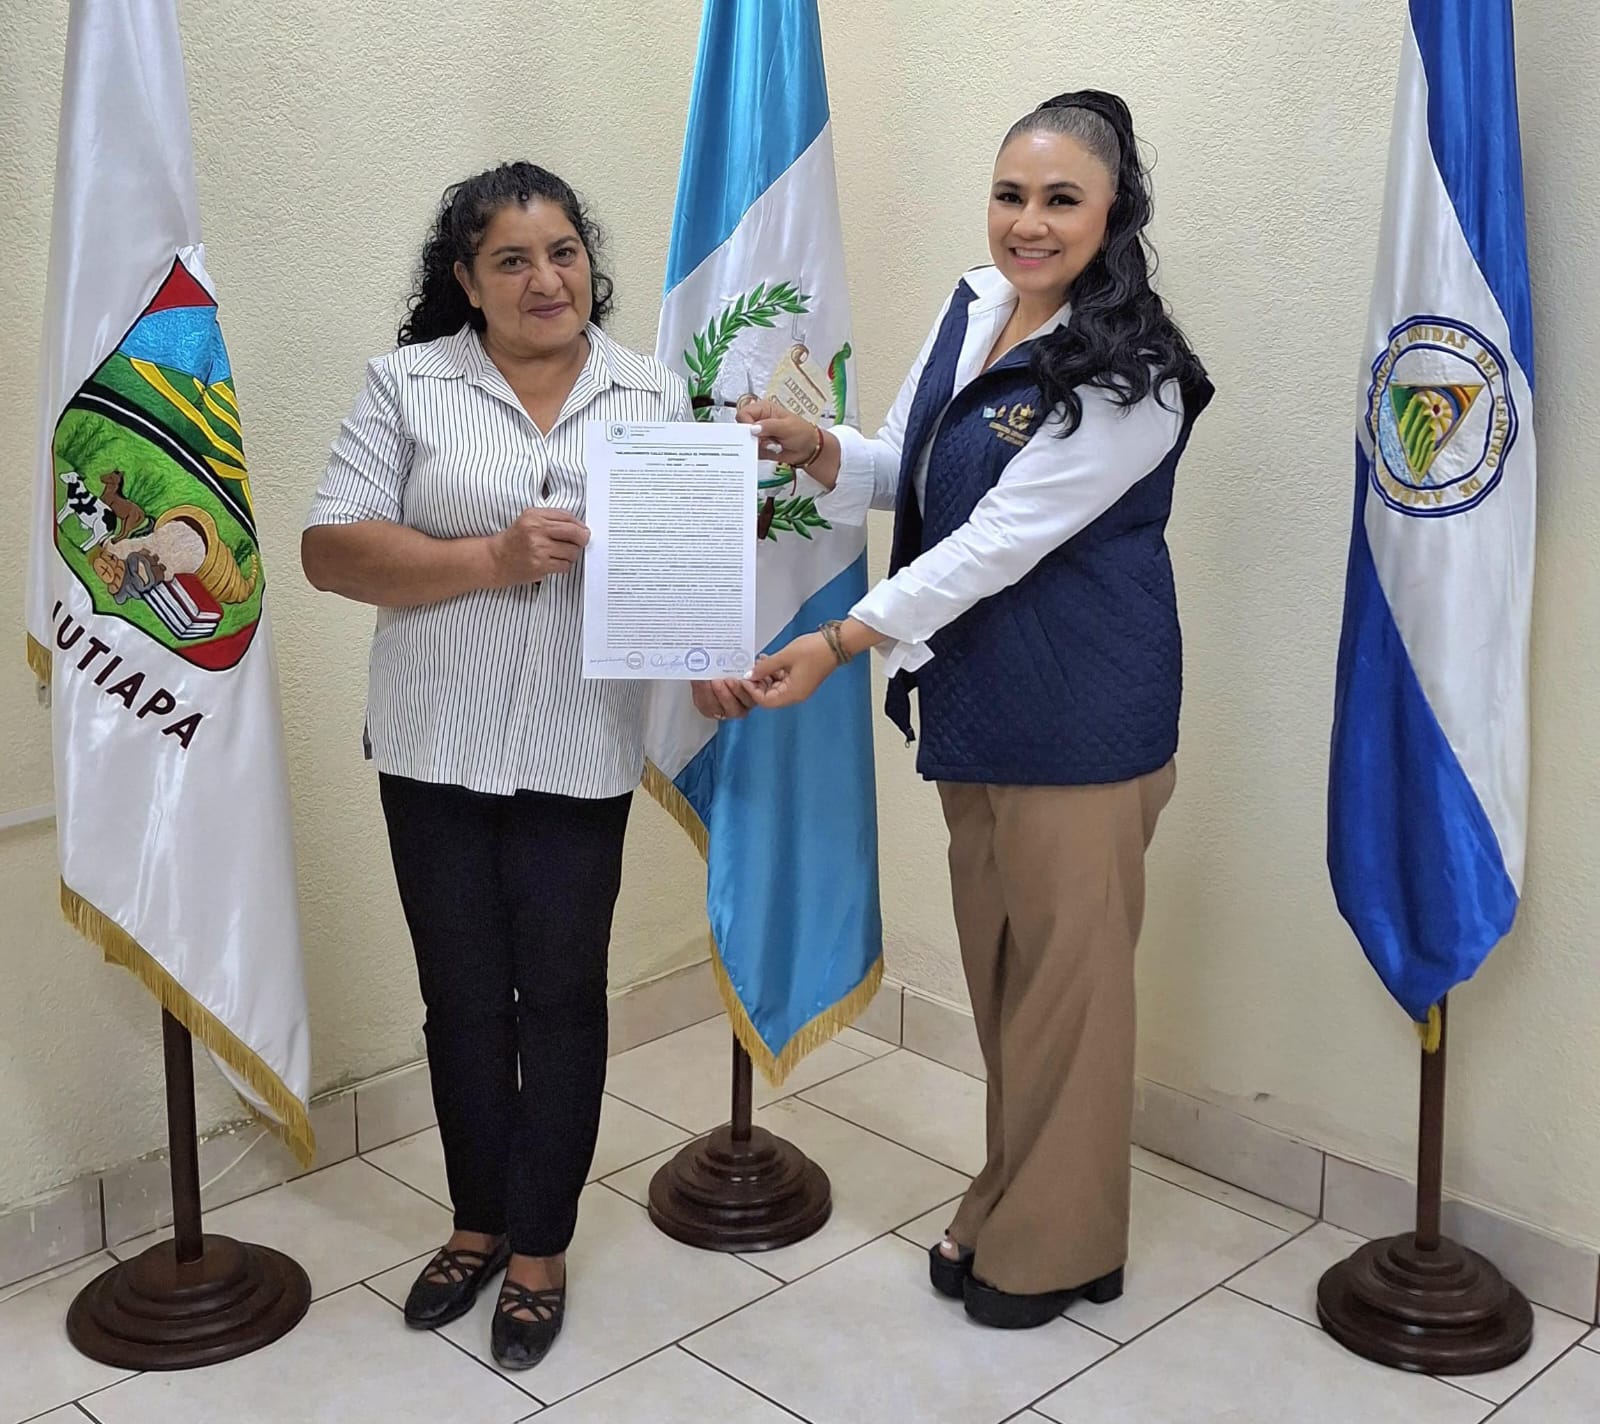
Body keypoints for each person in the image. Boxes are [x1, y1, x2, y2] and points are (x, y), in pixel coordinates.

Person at [728, 91, 1213, 1329]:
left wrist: (840, 639)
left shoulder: (1140, 371)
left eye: (1061, 199)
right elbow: (917, 465)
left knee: (1069, 991)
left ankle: (1056, 1244)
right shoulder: (973, 306)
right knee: (1008, 979)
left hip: (1083, 713)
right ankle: (1012, 1188)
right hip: (978, 699)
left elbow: (999, 536)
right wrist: (817, 446)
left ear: (1114, 211)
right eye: (1011, 194)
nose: (1028, 222)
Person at [302, 162, 691, 1370]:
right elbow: (329, 551)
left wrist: (712, 642)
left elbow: (677, 569)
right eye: (511, 260)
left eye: (563, 251)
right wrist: (493, 556)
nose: (545, 278)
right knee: (462, 997)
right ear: (466, 281)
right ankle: (476, 1221)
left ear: (589, 262)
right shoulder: (407, 384)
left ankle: (539, 1248)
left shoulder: (653, 391)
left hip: (580, 748)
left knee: (562, 999)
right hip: (433, 745)